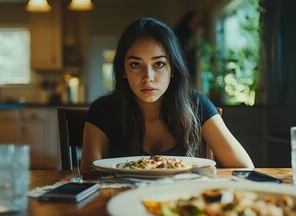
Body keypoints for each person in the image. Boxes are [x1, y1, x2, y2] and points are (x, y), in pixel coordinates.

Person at [81, 18, 254, 173]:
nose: (148, 77)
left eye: (159, 64)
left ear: (173, 69)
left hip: (181, 203)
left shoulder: (196, 104)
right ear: (123, 71)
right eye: (135, 64)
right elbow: (89, 175)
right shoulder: (103, 110)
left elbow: (244, 168)